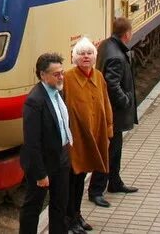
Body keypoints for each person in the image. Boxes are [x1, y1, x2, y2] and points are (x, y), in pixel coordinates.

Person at [64, 38, 113, 234]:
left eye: (89, 53)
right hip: (75, 140)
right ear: (75, 58)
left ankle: (77, 214)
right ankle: (70, 219)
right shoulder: (67, 78)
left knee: (81, 177)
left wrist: (109, 128)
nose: (86, 56)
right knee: (72, 180)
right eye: (81, 53)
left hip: (93, 137)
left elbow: (106, 102)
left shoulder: (99, 76)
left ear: (94, 57)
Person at [19, 52, 72, 234]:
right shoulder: (35, 101)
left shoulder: (58, 91)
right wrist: (40, 174)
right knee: (33, 207)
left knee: (59, 204)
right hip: (43, 162)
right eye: (56, 74)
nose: (61, 77)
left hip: (62, 157)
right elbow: (31, 142)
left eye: (62, 72)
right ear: (43, 75)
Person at [88, 17, 139, 203]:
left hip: (111, 111)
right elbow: (112, 83)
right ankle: (96, 190)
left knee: (114, 149)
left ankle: (115, 181)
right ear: (127, 34)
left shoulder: (107, 45)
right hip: (113, 113)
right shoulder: (117, 56)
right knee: (108, 150)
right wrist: (125, 100)